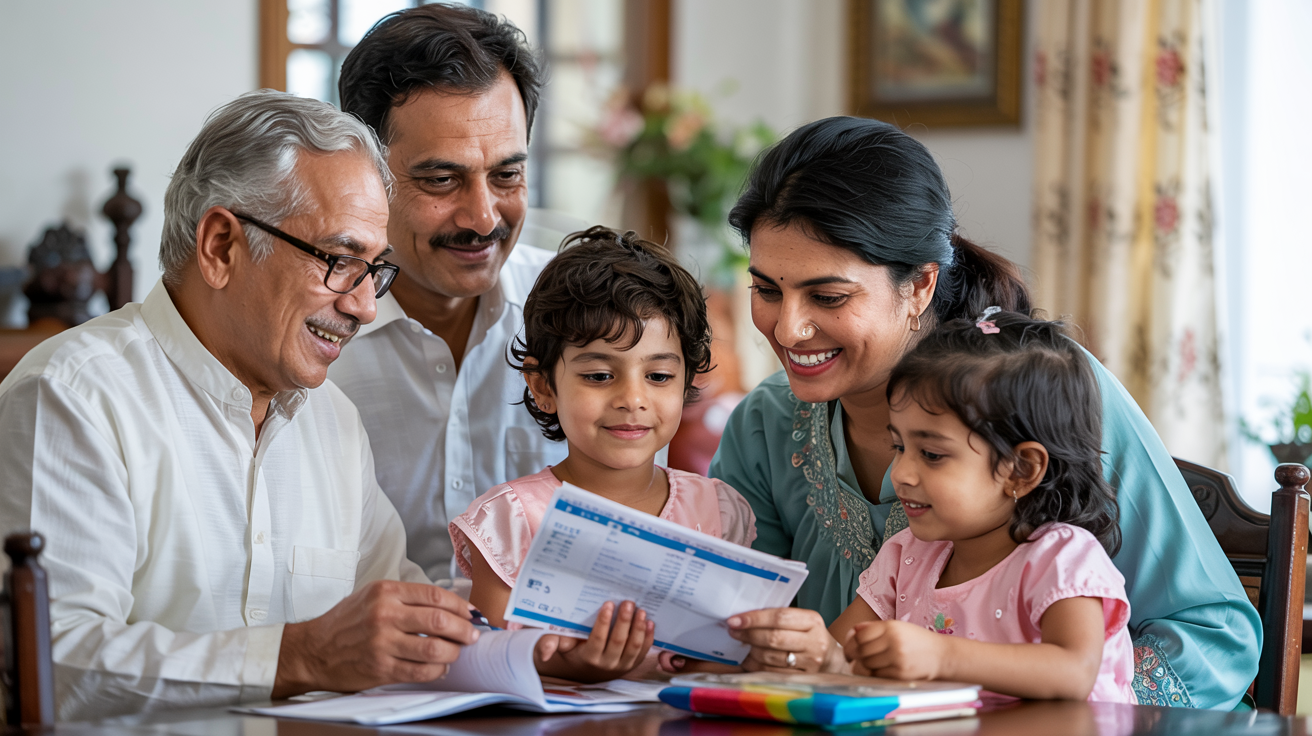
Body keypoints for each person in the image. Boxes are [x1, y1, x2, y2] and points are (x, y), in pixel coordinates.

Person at [703, 116, 1259, 709]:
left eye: (828, 296)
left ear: (919, 285)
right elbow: (727, 626)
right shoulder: (765, 422)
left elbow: (1213, 639)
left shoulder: (1044, 393)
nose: (787, 329)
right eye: (766, 290)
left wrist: (1024, 710)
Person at [0, 91, 479, 720]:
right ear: (222, 246)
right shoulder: (74, 395)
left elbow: (400, 614)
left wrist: (530, 649)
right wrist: (298, 658)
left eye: (374, 270)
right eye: (340, 261)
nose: (365, 305)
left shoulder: (332, 417)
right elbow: (54, 662)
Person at [449, 227, 757, 682]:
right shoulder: (509, 520)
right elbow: (481, 664)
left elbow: (739, 651)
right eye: (598, 376)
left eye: (658, 376)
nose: (632, 398)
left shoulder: (719, 510)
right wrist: (563, 664)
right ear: (543, 386)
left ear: (687, 380)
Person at [331, 2, 565, 586]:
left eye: (507, 175)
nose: (484, 218)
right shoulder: (308, 335)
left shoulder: (588, 317)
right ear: (366, 172)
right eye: (441, 180)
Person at [835, 311, 1134, 703]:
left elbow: (1074, 672)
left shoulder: (1061, 558)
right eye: (899, 447)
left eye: (931, 454)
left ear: (1022, 470)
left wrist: (941, 656)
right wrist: (811, 651)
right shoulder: (905, 555)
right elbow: (839, 654)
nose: (901, 473)